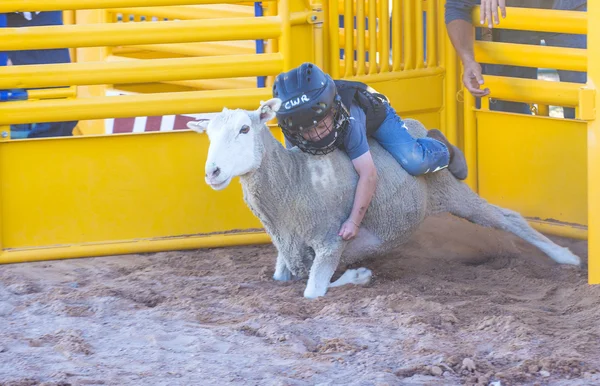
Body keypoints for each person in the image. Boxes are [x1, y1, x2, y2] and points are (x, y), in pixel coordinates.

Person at [272, 63, 468, 240]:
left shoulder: (350, 118)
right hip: (336, 128)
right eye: (307, 131)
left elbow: (369, 174)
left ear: (333, 110)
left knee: (415, 161)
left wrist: (354, 222)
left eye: (321, 127)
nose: (316, 136)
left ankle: (442, 148)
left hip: (375, 117)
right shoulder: (295, 127)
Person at [445, 0, 587, 118]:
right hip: (507, 13)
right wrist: (468, 60)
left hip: (567, 8)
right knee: (506, 100)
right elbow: (457, 6)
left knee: (584, 93)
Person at [2, 11, 78, 138]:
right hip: (20, 15)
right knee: (58, 108)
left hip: (36, 13)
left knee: (60, 107)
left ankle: (43, 147)